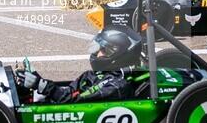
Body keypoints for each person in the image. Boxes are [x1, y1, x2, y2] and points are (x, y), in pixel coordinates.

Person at [15, 25, 146, 103]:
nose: (98, 53)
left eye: (104, 50)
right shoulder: (93, 75)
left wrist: (42, 85)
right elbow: (69, 92)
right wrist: (39, 81)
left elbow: (75, 103)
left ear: (118, 55)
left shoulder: (116, 86)